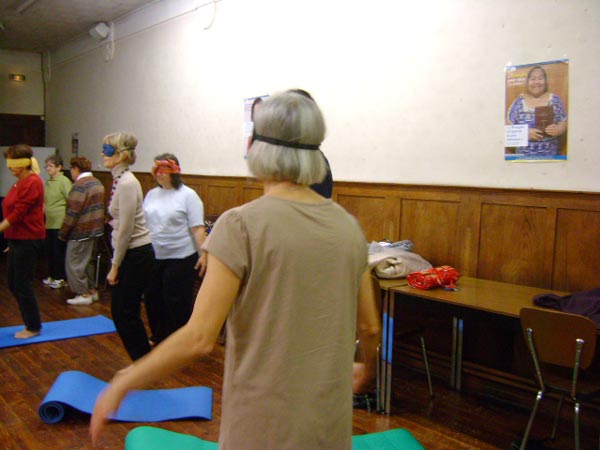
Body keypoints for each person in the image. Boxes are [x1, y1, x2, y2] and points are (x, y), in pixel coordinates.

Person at [90, 91, 381, 449]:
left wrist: (125, 380)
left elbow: (199, 338)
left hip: (261, 426)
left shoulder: (240, 225)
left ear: (256, 147)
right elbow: (369, 328)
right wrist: (367, 370)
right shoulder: (349, 229)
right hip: (330, 427)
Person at [102, 132, 155, 360]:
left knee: (124, 312)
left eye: (107, 150)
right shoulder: (120, 180)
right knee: (123, 312)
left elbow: (126, 229)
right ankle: (141, 361)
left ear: (122, 155)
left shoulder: (127, 183)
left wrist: (115, 266)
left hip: (136, 253)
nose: (103, 154)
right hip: (129, 253)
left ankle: (142, 363)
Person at [143, 153, 206, 344]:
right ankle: (159, 335)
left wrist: (204, 254)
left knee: (176, 300)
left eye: (164, 169)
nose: (160, 173)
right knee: (152, 296)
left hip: (181, 256)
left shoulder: (188, 196)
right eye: (157, 170)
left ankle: (179, 341)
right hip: (154, 254)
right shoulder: (152, 194)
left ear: (175, 171)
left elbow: (197, 227)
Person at [0, 145, 45, 339]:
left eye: (13, 162)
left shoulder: (32, 182)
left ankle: (33, 326)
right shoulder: (19, 183)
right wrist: (10, 240)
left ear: (24, 163)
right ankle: (31, 322)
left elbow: (18, 213)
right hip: (17, 240)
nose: (10, 167)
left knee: (22, 284)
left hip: (28, 239)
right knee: (13, 283)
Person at [59, 157, 105, 305]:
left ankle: (83, 294)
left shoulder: (79, 185)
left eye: (71, 169)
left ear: (76, 169)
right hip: (96, 230)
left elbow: (73, 212)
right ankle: (92, 291)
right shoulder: (97, 182)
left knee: (74, 263)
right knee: (88, 262)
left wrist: (63, 233)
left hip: (80, 231)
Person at [506, 65, 568, 157]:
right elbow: (507, 130)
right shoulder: (518, 102)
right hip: (523, 158)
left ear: (545, 81)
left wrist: (558, 129)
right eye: (533, 79)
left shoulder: (554, 100)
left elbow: (563, 122)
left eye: (540, 78)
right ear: (527, 82)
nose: (536, 82)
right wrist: (524, 134)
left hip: (550, 156)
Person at [42, 154, 72, 289]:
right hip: (49, 221)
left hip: (60, 222)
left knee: (58, 251)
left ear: (59, 167)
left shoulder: (64, 181)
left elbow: (70, 200)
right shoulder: (48, 182)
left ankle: (61, 278)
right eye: (47, 166)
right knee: (50, 251)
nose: (48, 168)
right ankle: (52, 275)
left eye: (51, 166)